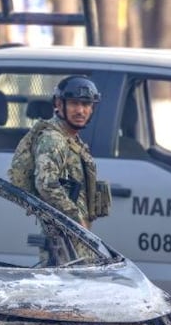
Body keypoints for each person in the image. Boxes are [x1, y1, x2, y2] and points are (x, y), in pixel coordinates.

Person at [8, 75, 110, 229]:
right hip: (63, 236)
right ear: (58, 104)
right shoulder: (53, 139)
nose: (80, 111)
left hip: (71, 233)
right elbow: (46, 184)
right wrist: (76, 220)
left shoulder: (71, 138)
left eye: (86, 104)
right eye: (74, 103)